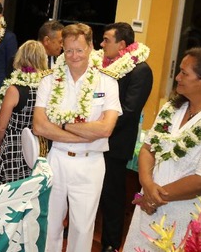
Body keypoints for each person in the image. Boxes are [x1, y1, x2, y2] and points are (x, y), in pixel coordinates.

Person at [33, 23, 121, 252]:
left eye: (79, 50)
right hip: (56, 159)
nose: (74, 56)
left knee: (82, 229)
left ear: (90, 47)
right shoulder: (49, 80)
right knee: (49, 224)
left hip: (90, 164)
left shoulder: (107, 82)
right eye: (69, 50)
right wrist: (85, 133)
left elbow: (105, 129)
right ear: (62, 48)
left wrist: (61, 125)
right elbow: (39, 126)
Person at [122, 48, 201, 251]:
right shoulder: (173, 108)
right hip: (150, 207)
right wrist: (148, 185)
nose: (177, 77)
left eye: (184, 73)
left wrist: (156, 197)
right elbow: (147, 148)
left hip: (188, 214)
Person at [96, 22, 153, 252]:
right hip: (95, 137)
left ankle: (110, 244)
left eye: (106, 40)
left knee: (112, 196)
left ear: (121, 44)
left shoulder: (140, 70)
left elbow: (129, 111)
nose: (101, 44)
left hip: (116, 143)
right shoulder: (103, 64)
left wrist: (99, 127)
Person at [0, 40, 49, 185]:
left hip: (14, 146)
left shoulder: (15, 89)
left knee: (9, 191)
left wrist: (0, 143)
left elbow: (0, 127)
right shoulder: (47, 86)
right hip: (39, 145)